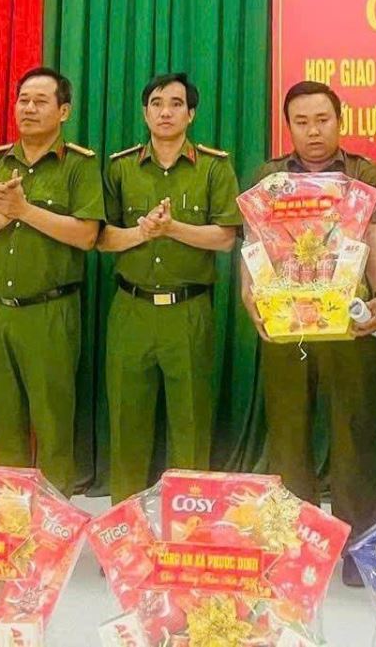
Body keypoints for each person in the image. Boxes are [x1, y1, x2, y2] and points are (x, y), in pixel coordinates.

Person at [247, 80, 376, 586]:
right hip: (287, 323)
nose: (313, 131)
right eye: (302, 122)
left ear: (339, 121)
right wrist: (249, 296)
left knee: (354, 434)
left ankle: (359, 551)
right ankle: (296, 550)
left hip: (348, 323)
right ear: (288, 126)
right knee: (288, 435)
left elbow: (375, 236)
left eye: (322, 120)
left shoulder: (363, 174)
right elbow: (253, 243)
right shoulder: (269, 178)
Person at [0, 67, 103, 490]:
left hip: (50, 311)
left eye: (40, 101)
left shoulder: (79, 165)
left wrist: (24, 211)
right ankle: (8, 509)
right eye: (23, 100)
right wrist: (0, 219)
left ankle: (54, 515)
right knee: (2, 420)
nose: (29, 109)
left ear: (64, 111)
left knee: (53, 421)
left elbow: (87, 235)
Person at [99, 73, 242, 502]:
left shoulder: (214, 166)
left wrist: (173, 228)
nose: (166, 112)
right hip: (131, 309)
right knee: (127, 422)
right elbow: (101, 238)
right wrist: (141, 233)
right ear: (145, 113)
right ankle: (126, 524)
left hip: (189, 311)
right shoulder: (121, 167)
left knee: (191, 424)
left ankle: (189, 520)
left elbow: (225, 238)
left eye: (176, 104)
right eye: (157, 103)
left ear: (191, 114)